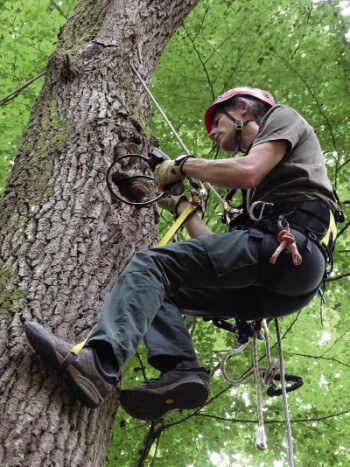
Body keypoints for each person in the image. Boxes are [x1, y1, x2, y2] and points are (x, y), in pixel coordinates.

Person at [24, 87, 338, 421]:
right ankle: (182, 370)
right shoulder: (261, 194)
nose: (213, 133)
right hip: (281, 283)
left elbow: (247, 171)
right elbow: (214, 254)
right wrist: (182, 207)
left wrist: (183, 166)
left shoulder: (281, 117)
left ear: (243, 109)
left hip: (288, 248)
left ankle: (100, 362)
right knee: (159, 290)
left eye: (217, 121)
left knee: (150, 264)